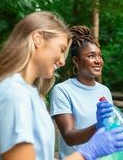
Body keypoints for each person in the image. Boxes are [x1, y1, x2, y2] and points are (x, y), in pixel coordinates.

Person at [0, 11, 123, 160]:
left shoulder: (31, 94)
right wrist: (87, 153)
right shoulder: (13, 94)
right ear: (38, 39)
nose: (62, 61)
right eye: (61, 49)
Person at [50, 25, 114, 159]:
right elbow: (69, 137)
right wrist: (97, 126)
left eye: (99, 56)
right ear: (76, 61)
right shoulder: (62, 90)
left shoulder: (104, 91)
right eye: (91, 56)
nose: (98, 61)